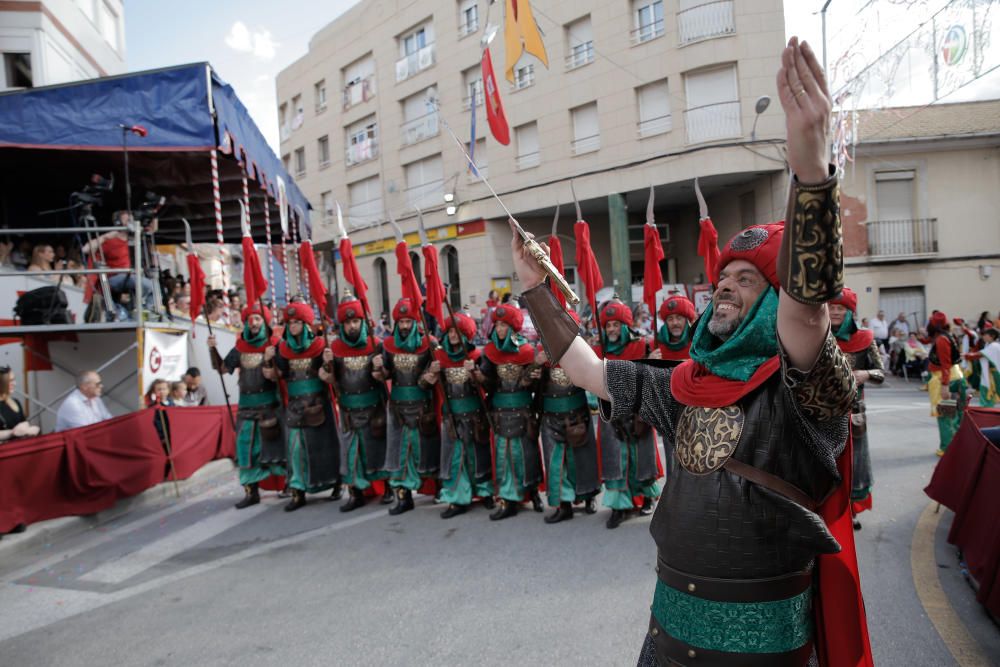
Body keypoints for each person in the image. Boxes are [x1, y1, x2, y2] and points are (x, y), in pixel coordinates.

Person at [515, 37, 870, 666]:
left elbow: (808, 311)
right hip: (670, 624)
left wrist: (811, 172)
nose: (727, 286)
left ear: (772, 300)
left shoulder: (807, 391)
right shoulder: (681, 384)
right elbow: (587, 369)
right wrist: (535, 291)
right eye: (724, 277)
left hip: (764, 640)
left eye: (749, 279)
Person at [592, 298, 661, 529]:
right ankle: (618, 507)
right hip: (611, 413)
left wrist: (652, 364)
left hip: (639, 411)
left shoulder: (643, 345)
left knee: (642, 458)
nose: (611, 329)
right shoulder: (597, 349)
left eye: (615, 324)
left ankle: (647, 497)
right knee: (616, 460)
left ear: (625, 325)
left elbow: (654, 378)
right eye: (607, 325)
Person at [263, 303, 340, 511]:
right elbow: (276, 375)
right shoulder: (283, 349)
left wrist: (327, 362)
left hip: (318, 403)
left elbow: (331, 377)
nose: (293, 326)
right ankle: (297, 489)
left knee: (323, 447)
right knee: (295, 447)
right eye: (290, 323)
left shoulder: (319, 346)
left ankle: (334, 482)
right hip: (295, 405)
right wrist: (268, 361)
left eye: (297, 322)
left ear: (306, 325)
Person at [210, 303, 287, 509]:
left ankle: (289, 485)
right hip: (246, 407)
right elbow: (222, 368)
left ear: (265, 322)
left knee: (276, 449)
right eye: (249, 319)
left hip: (269, 406)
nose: (253, 323)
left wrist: (270, 360)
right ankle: (251, 492)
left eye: (257, 319)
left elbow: (282, 374)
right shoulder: (239, 349)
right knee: (245, 450)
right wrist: (212, 349)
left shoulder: (275, 345)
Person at [474, 302, 544, 521]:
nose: (501, 329)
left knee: (527, 455)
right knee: (504, 457)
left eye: (505, 325)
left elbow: (534, 387)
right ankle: (508, 498)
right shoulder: (489, 353)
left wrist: (533, 377)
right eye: (498, 325)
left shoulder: (527, 351)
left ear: (513, 328)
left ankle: (532, 492)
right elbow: (490, 384)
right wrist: (478, 377)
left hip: (523, 412)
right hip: (500, 413)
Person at [319, 297, 389, 512]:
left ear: (361, 322)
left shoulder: (375, 344)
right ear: (342, 325)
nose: (351, 326)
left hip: (373, 408)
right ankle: (355, 492)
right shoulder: (335, 348)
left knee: (377, 449)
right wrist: (327, 368)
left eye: (355, 322)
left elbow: (385, 375)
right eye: (348, 323)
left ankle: (387, 488)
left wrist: (380, 370)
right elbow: (328, 377)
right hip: (348, 409)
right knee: (351, 453)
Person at [372, 298, 440, 515]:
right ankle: (404, 496)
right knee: (400, 453)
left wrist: (431, 374)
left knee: (426, 451)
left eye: (407, 321)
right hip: (398, 407)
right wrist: (379, 370)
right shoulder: (388, 345)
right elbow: (387, 375)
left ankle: (437, 487)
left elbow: (436, 374)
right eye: (400, 322)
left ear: (415, 322)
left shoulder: (429, 343)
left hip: (423, 407)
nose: (403, 326)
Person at [536, 309, 600, 523]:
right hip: (550, 416)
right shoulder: (543, 351)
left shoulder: (582, 351)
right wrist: (535, 365)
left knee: (582, 459)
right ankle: (563, 505)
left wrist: (594, 403)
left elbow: (593, 380)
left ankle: (588, 495)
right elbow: (529, 381)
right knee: (556, 464)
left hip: (577, 414)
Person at [429, 312, 495, 519]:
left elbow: (489, 384)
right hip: (452, 417)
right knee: (455, 458)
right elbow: (424, 383)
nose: (453, 335)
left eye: (456, 332)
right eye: (449, 332)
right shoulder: (438, 358)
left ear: (465, 334)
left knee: (478, 456)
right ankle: (458, 498)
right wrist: (431, 373)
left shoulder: (477, 356)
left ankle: (485, 493)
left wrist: (475, 373)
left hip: (475, 416)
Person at [829, 288, 885, 530]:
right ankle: (824, 513)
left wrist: (865, 374)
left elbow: (881, 373)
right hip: (821, 411)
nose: (834, 312)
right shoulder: (814, 334)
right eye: (830, 307)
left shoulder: (865, 338)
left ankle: (849, 512)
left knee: (853, 463)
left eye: (840, 308)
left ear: (850, 311)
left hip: (853, 413)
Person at [82, 211, 155, 313]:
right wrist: (105, 237)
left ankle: (147, 312)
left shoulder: (135, 240)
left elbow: (152, 228)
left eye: (131, 220)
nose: (130, 223)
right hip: (114, 278)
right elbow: (85, 249)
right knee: (147, 285)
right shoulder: (110, 240)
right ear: (118, 223)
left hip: (131, 276)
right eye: (127, 220)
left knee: (156, 288)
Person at [927, 310, 966, 456]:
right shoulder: (947, 336)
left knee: (945, 416)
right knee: (956, 416)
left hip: (947, 379)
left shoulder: (942, 340)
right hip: (955, 377)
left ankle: (947, 448)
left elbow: (945, 364)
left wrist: (944, 385)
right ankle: (957, 446)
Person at [650, 294, 697, 367]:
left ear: (687, 321)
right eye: (670, 319)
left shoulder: (698, 344)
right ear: (666, 323)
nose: (675, 323)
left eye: (679, 318)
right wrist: (649, 362)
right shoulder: (654, 345)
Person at [0, 367, 39, 442]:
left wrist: (30, 429)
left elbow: (24, 423)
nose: (14, 383)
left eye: (14, 380)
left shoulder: (15, 402)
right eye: (10, 381)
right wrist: (12, 433)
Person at [967, 328, 1000, 407]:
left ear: (992, 336)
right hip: (990, 373)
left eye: (986, 335)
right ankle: (986, 409)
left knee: (990, 390)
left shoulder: (994, 346)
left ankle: (986, 409)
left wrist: (966, 356)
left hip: (994, 373)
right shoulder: (989, 345)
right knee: (988, 391)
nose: (983, 337)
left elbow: (979, 355)